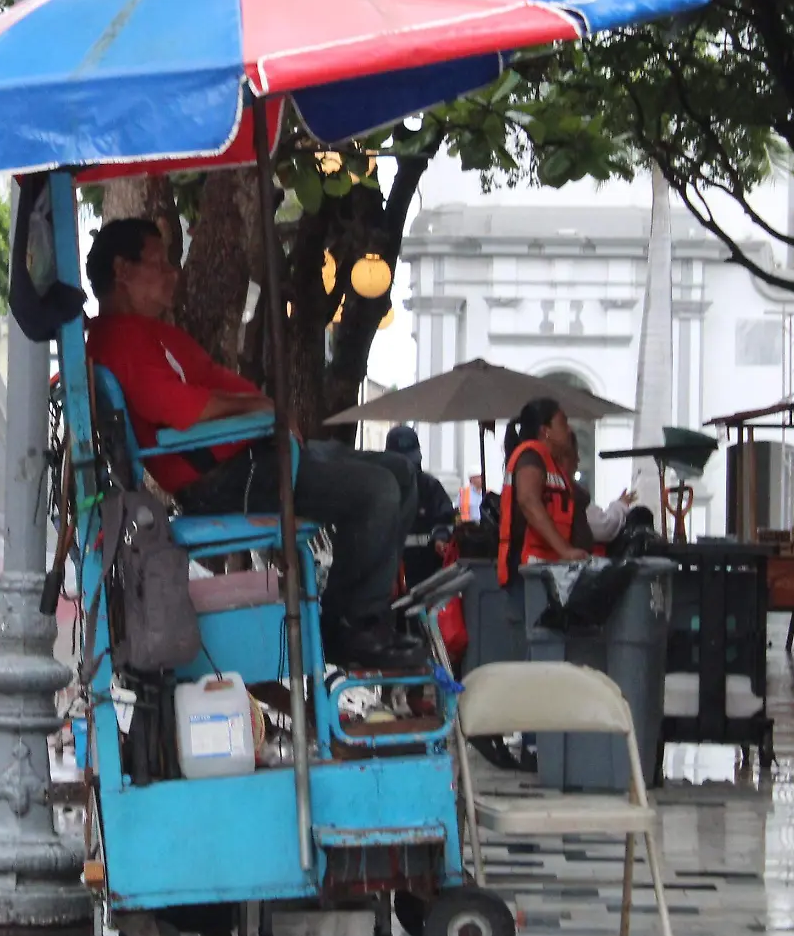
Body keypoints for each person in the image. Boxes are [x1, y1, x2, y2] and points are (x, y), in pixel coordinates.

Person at [82, 220, 421, 671]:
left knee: (401, 472)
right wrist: (262, 411)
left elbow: (218, 382)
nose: (172, 273)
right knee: (376, 491)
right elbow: (185, 408)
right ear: (122, 270)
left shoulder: (156, 334)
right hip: (221, 479)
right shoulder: (118, 338)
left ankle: (371, 613)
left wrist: (264, 407)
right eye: (159, 262)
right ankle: (352, 628)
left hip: (250, 459)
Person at [498, 397, 584, 584]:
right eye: (563, 423)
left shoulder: (550, 462)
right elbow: (528, 500)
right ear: (545, 431)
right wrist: (565, 550)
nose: (568, 430)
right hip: (528, 569)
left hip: (543, 568)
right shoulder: (531, 455)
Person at [384, 425, 458, 587]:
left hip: (428, 577)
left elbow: (446, 518)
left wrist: (441, 537)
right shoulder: (380, 488)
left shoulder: (429, 486)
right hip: (389, 578)